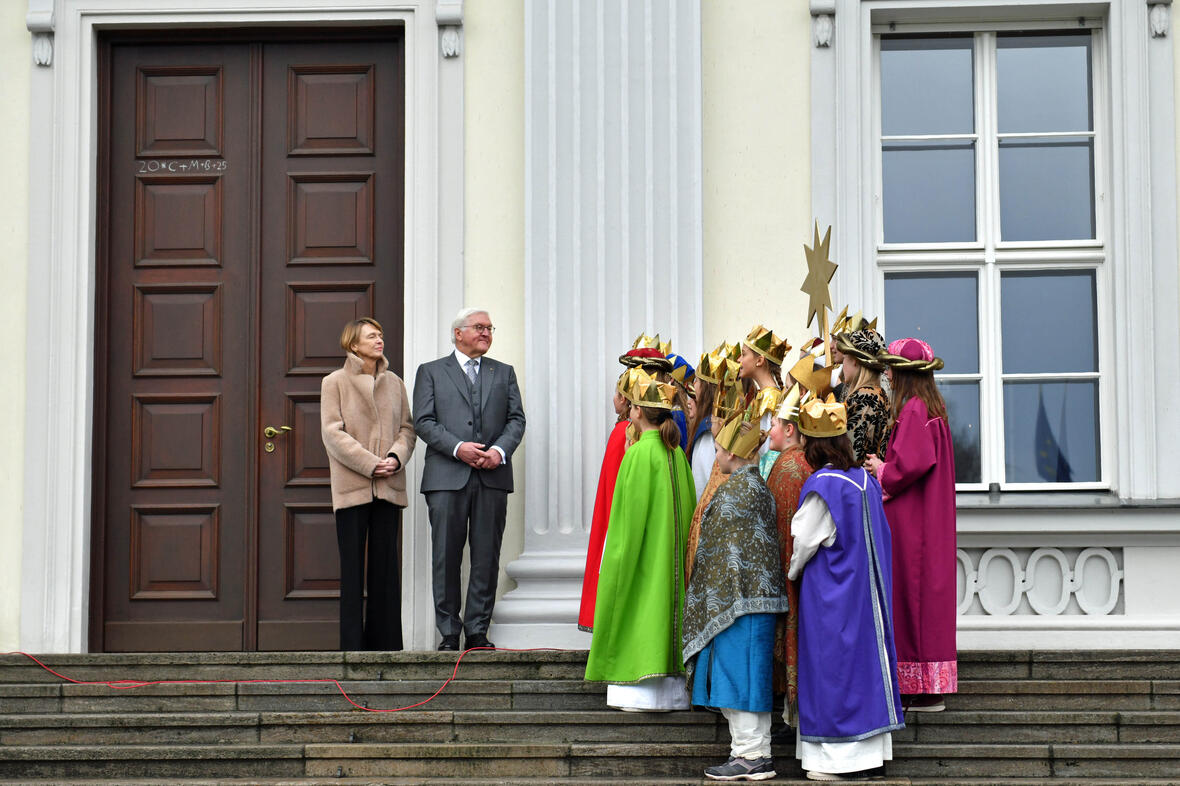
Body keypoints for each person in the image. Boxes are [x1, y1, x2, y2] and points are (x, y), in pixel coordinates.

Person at [789, 395, 904, 780]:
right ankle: (868, 757)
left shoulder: (823, 484)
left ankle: (834, 762)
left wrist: (792, 572)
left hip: (831, 598)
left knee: (831, 671)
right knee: (862, 669)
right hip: (865, 597)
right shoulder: (864, 482)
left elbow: (804, 539)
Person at [684, 405, 789, 782]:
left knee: (740, 680)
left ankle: (751, 756)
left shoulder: (736, 493)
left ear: (731, 453)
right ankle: (751, 753)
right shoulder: (754, 486)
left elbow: (717, 554)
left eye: (717, 450)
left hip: (736, 604)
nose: (715, 456)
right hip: (747, 602)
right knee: (748, 679)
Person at [412, 308, 526, 651]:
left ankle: (477, 631)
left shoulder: (503, 373)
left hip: (492, 477)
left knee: (486, 555)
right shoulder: (431, 372)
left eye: (490, 328)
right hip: (446, 478)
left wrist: (499, 452)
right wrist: (458, 447)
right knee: (445, 555)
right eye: (480, 327)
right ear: (458, 333)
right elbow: (423, 421)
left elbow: (516, 420)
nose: (487, 333)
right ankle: (448, 632)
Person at [585, 369, 696, 711]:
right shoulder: (676, 453)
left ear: (636, 412)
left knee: (639, 609)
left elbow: (627, 522)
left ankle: (639, 689)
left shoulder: (637, 454)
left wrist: (615, 562)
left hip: (645, 560)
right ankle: (672, 693)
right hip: (671, 561)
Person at [865, 338, 957, 712]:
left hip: (915, 527)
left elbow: (911, 465)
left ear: (903, 373)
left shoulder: (915, 410)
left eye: (890, 368)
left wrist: (880, 468)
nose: (886, 373)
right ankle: (925, 687)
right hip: (927, 522)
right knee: (924, 603)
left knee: (912, 599)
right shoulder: (932, 408)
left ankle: (919, 687)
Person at [320, 318, 417, 651]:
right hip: (352, 487)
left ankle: (386, 644)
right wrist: (368, 462)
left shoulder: (395, 383)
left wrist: (395, 456)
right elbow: (332, 432)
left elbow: (407, 429)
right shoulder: (334, 382)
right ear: (353, 344)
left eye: (381, 334)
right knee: (352, 569)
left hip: (389, 486)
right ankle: (352, 647)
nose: (380, 340)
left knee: (385, 568)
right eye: (372, 336)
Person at [763, 384, 813, 726]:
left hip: (784, 569)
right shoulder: (804, 463)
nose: (769, 430)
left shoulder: (787, 466)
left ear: (790, 430)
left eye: (776, 424)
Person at [578, 368, 638, 632]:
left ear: (625, 400)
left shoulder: (623, 432)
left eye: (616, 393)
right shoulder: (626, 431)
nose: (613, 398)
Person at [835, 327, 890, 464]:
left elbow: (851, 456)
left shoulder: (863, 398)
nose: (843, 365)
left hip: (858, 481)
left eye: (845, 357)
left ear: (855, 360)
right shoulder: (880, 394)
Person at [739, 325, 788, 475]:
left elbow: (767, 451)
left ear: (759, 361)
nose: (738, 359)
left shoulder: (770, 399)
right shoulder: (762, 395)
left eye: (743, 354)